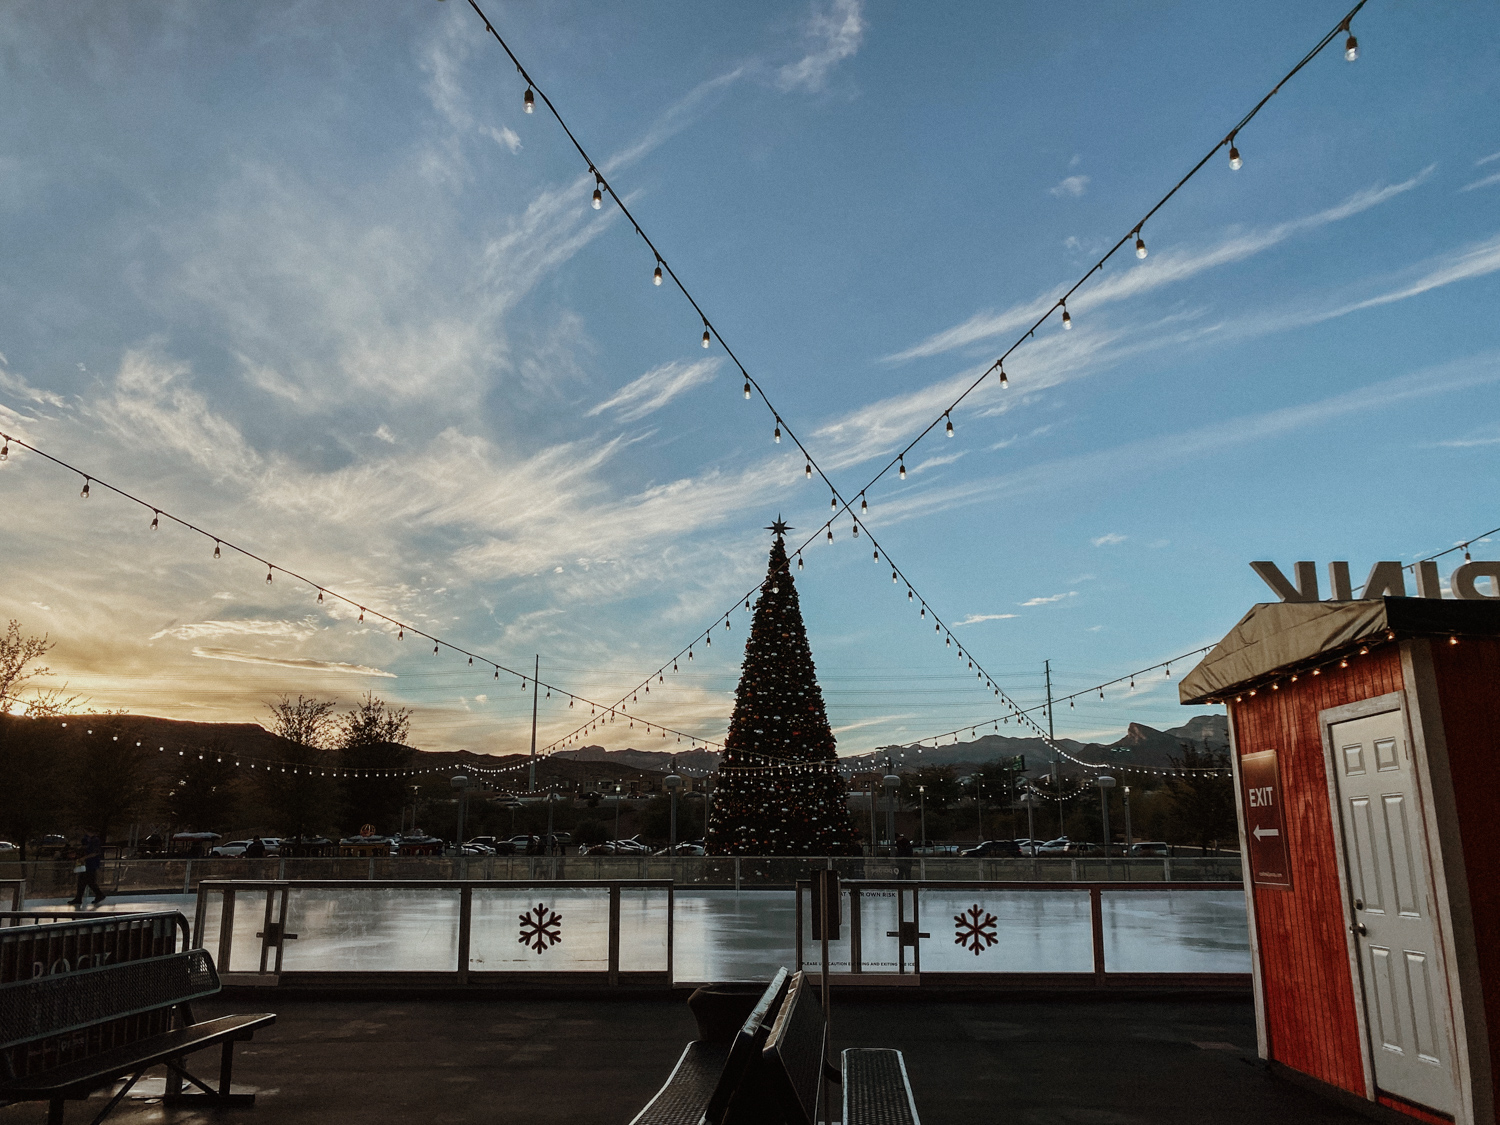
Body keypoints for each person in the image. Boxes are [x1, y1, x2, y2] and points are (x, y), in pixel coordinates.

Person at [67, 830, 106, 906]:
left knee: (87, 881)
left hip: (91, 864)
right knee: (84, 881)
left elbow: (95, 852)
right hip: (89, 864)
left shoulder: (94, 840)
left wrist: (84, 858)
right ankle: (79, 898)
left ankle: (98, 894)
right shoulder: (91, 840)